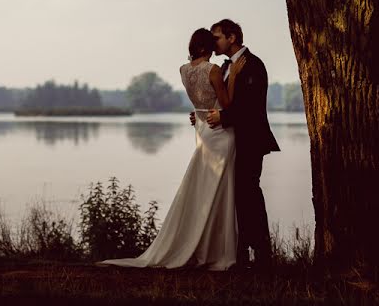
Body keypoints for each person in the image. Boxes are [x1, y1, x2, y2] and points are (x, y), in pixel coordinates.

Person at [100, 27, 245, 270]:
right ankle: (217, 250)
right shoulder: (213, 70)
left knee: (205, 186)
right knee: (221, 189)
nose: (213, 48)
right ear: (204, 47)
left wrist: (199, 113)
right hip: (219, 132)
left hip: (201, 127)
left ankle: (204, 245)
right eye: (210, 44)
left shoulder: (183, 70)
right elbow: (227, 104)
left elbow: (200, 102)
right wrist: (236, 77)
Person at [199, 18, 280, 269]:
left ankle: (262, 253)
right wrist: (203, 113)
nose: (213, 43)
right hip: (229, 141)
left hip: (250, 140)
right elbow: (222, 100)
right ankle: (238, 252)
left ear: (231, 38)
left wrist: (223, 116)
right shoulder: (224, 67)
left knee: (249, 194)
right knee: (234, 195)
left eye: (216, 38)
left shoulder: (253, 65)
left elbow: (251, 107)